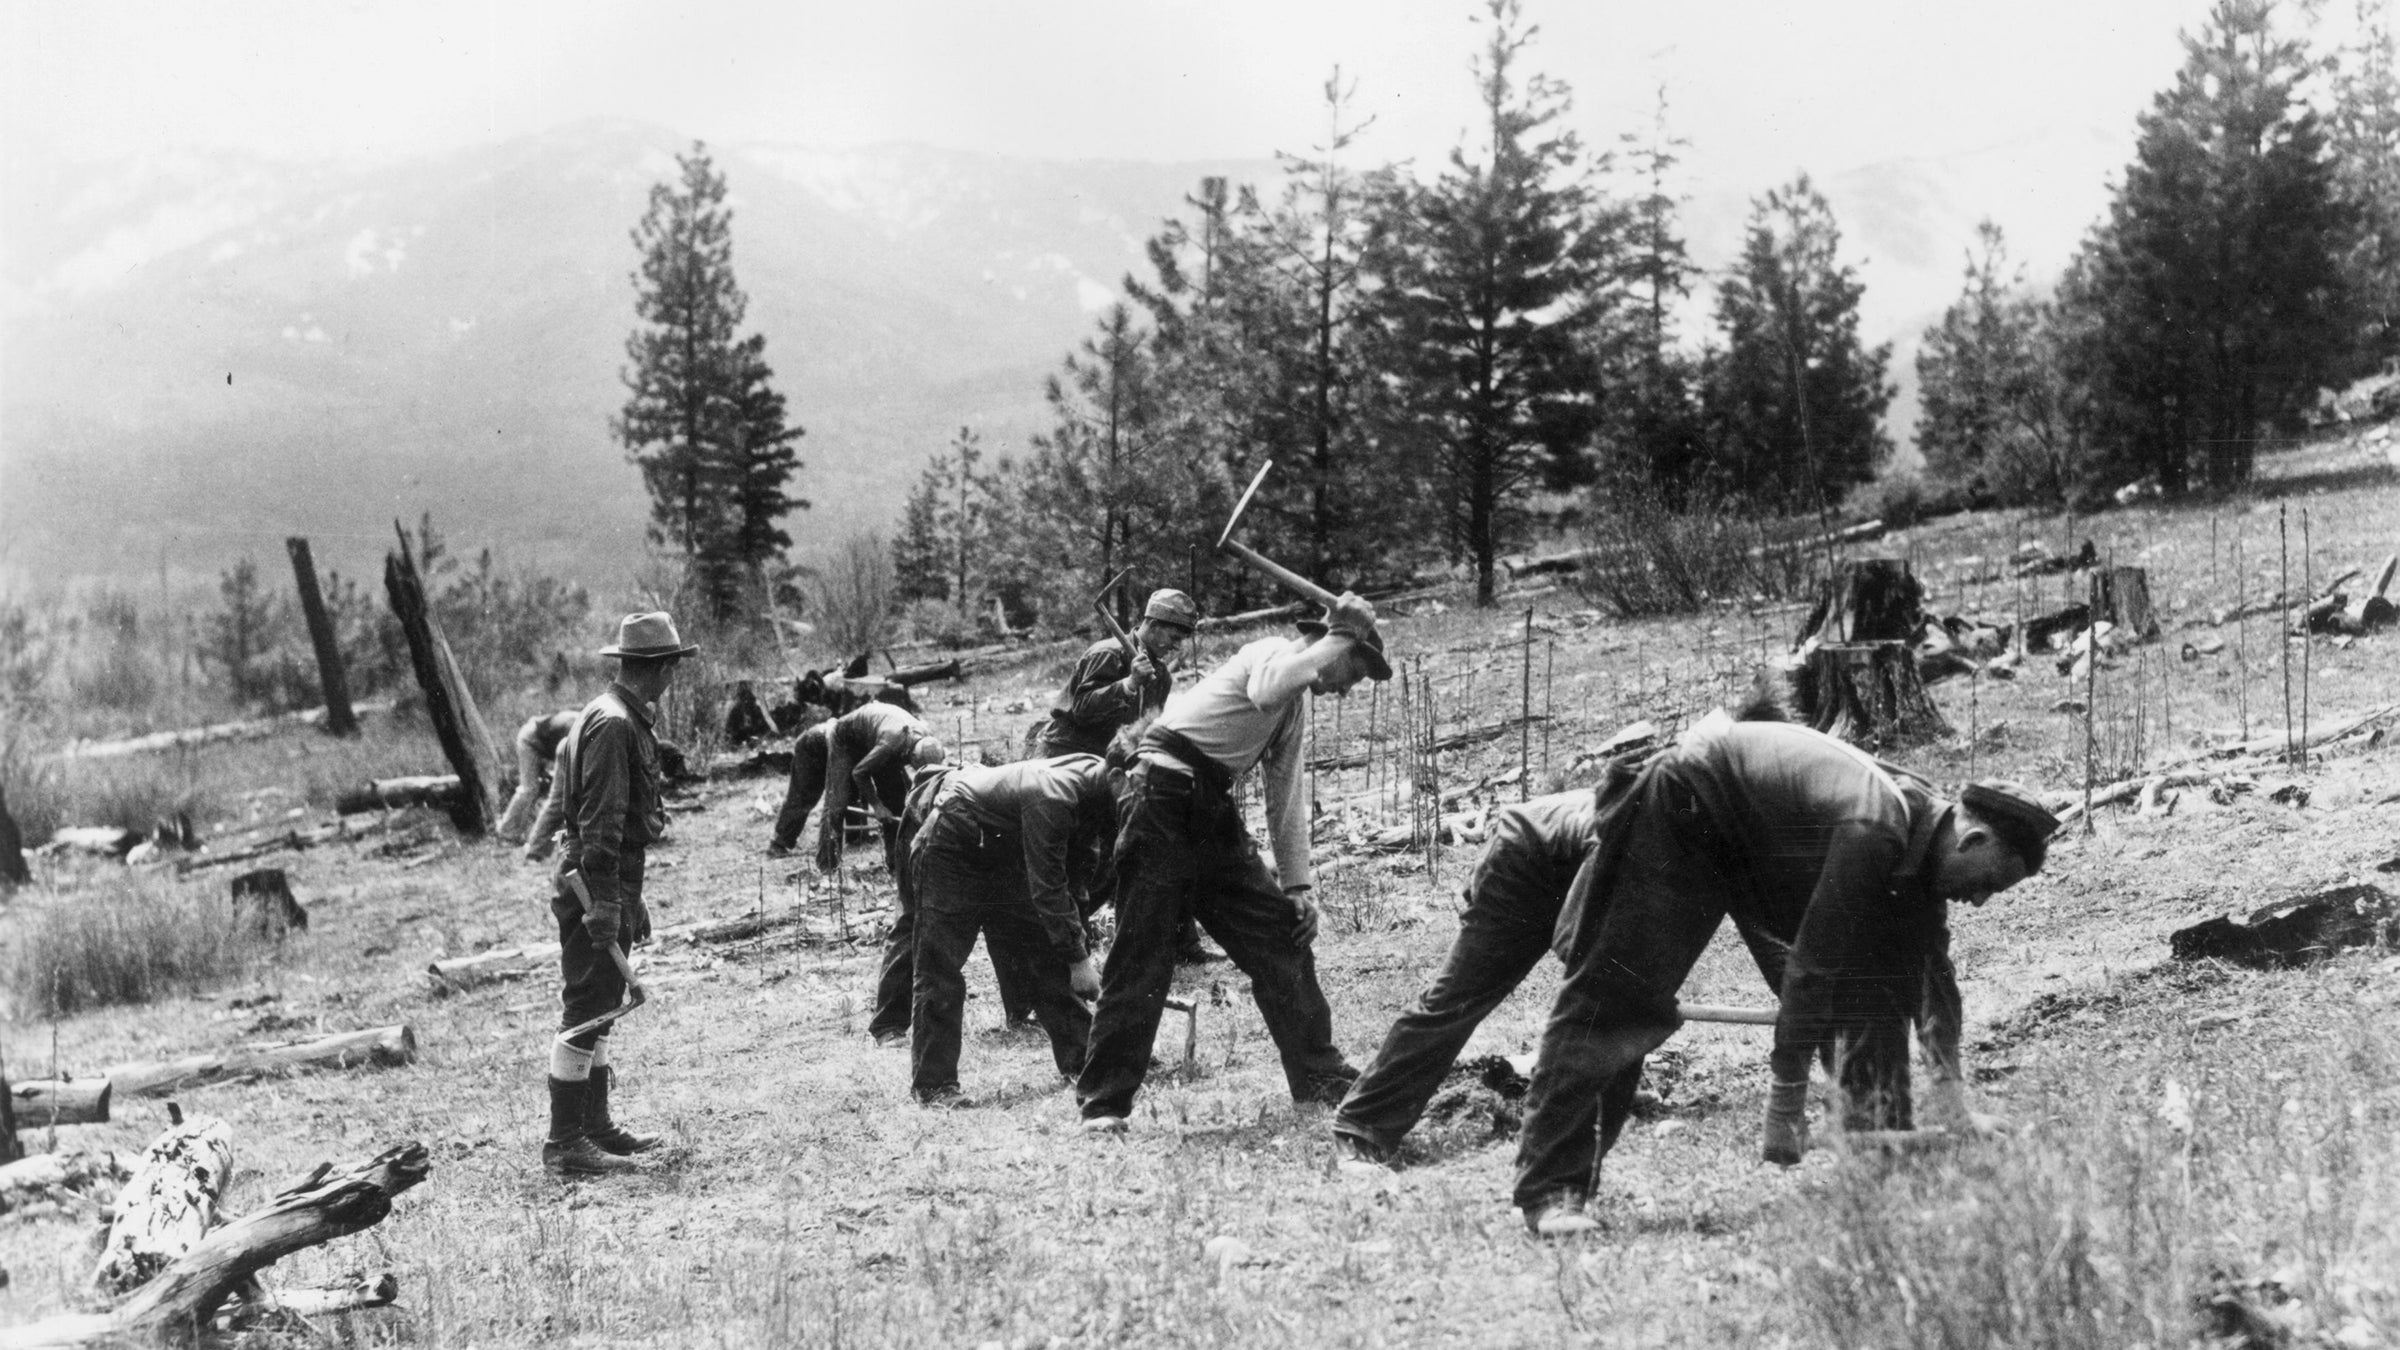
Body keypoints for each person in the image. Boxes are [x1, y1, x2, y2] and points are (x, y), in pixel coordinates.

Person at [1508, 717, 2058, 1236]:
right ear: (1973, 841)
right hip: (1686, 805)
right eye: (1989, 883)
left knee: (1880, 974)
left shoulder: (1924, 838)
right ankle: (1552, 1190)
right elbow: (1810, 969)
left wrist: (1954, 1102)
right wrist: (1785, 1102)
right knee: (1619, 993)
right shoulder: (1876, 827)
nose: (1981, 900)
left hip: (1754, 839)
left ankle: (1877, 1140)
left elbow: (1934, 977)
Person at [1075, 594, 1392, 1133]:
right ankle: (1103, 1105)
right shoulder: (1269, 652)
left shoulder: (1296, 707)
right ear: (1331, 645)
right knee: (1142, 952)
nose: (1345, 688)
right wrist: (1342, 633)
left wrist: (1297, 887)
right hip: (1158, 795)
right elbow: (1267, 689)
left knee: (1279, 934)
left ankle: (1317, 1076)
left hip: (1207, 809)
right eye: (1352, 674)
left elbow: (1285, 792)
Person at [540, 612, 695, 1177]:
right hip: (594, 884)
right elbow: (600, 822)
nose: (674, 674)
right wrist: (607, 902)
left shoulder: (618, 716)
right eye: (673, 665)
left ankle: (595, 1127)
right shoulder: (614, 724)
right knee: (585, 1006)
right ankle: (564, 1144)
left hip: (611, 880)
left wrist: (632, 896)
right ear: (657, 668)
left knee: (603, 1004)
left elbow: (618, 824)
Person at [907, 754, 1120, 1106]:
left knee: (1041, 953)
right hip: (951, 841)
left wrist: (1075, 949)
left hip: (999, 846)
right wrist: (1079, 961)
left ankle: (1085, 1061)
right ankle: (934, 1086)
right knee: (940, 965)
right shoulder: (1052, 796)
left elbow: (1080, 866)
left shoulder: (1099, 783)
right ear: (1117, 777)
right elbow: (1048, 885)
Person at [1036, 586, 1213, 971]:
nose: (1177, 645)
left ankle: (1182, 943)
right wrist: (1128, 684)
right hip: (1066, 766)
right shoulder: (1107, 654)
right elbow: (1077, 709)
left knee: (1157, 839)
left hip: (1115, 771)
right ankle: (1069, 958)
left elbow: (1145, 727)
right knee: (1079, 861)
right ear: (1150, 623)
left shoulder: (1160, 676)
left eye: (1183, 638)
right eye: (1172, 634)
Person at [766, 700, 947, 1046]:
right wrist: (875, 807)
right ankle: (827, 866)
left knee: (901, 799)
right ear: (910, 754)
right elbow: (859, 773)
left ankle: (898, 863)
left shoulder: (923, 741)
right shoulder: (895, 743)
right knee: (836, 801)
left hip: (874, 741)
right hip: (845, 738)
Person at [496, 709, 577, 850]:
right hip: (530, 741)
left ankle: (559, 841)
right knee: (529, 789)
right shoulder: (576, 729)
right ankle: (506, 833)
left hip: (548, 745)